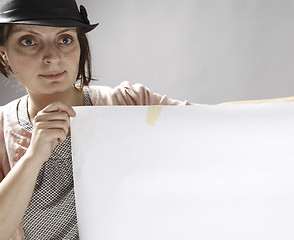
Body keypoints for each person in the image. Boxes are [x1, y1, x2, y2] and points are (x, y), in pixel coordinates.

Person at [0, 0, 192, 239]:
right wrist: (33, 157)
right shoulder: (2, 130)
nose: (52, 57)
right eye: (29, 41)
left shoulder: (130, 104)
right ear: (4, 54)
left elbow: (216, 127)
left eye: (65, 39)